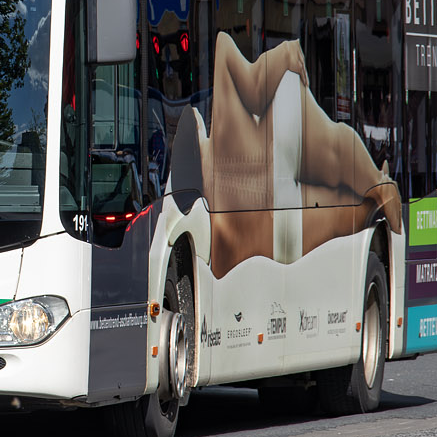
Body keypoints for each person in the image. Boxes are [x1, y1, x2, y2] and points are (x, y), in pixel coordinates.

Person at [171, 33, 403, 279]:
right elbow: (255, 89)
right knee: (333, 142)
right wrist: (285, 52)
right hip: (278, 148)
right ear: (198, 130)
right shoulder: (223, 114)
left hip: (274, 235)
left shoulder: (216, 245)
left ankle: (375, 196)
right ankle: (378, 182)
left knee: (338, 216)